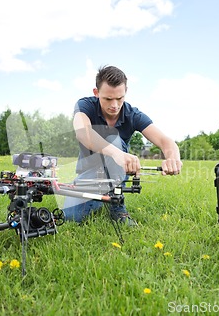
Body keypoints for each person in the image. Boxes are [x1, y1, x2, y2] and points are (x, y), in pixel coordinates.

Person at [63, 65, 182, 225]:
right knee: (71, 218)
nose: (115, 105)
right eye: (108, 99)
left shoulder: (132, 114)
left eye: (120, 98)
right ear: (96, 93)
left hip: (115, 173)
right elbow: (82, 132)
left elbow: (165, 141)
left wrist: (172, 158)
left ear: (125, 92)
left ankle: (116, 204)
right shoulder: (85, 105)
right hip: (89, 174)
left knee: (114, 138)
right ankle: (99, 198)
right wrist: (116, 153)